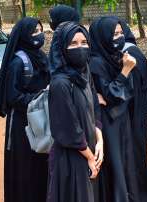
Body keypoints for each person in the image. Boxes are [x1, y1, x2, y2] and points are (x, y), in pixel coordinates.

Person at [89, 16, 147, 202]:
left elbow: (123, 94)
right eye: (114, 34)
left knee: (126, 162)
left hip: (121, 118)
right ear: (102, 36)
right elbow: (112, 96)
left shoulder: (114, 56)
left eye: (121, 33)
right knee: (116, 164)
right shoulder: (96, 62)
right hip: (109, 122)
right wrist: (125, 71)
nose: (119, 38)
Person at [0, 17, 50, 202]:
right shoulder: (18, 63)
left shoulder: (41, 56)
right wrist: (40, 98)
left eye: (41, 30)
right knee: (25, 165)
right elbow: (13, 97)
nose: (39, 35)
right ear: (24, 35)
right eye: (34, 32)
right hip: (22, 124)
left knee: (42, 160)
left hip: (42, 119)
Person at [47, 21, 104, 202]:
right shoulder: (60, 83)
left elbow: (94, 104)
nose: (80, 48)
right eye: (73, 44)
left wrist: (100, 140)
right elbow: (68, 127)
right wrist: (89, 156)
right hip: (72, 157)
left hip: (90, 148)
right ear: (62, 48)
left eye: (84, 42)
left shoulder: (84, 71)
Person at [120, 19, 147, 201]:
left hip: (132, 114)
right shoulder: (133, 49)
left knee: (133, 154)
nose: (117, 37)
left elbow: (131, 89)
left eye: (118, 33)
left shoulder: (128, 53)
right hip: (140, 112)